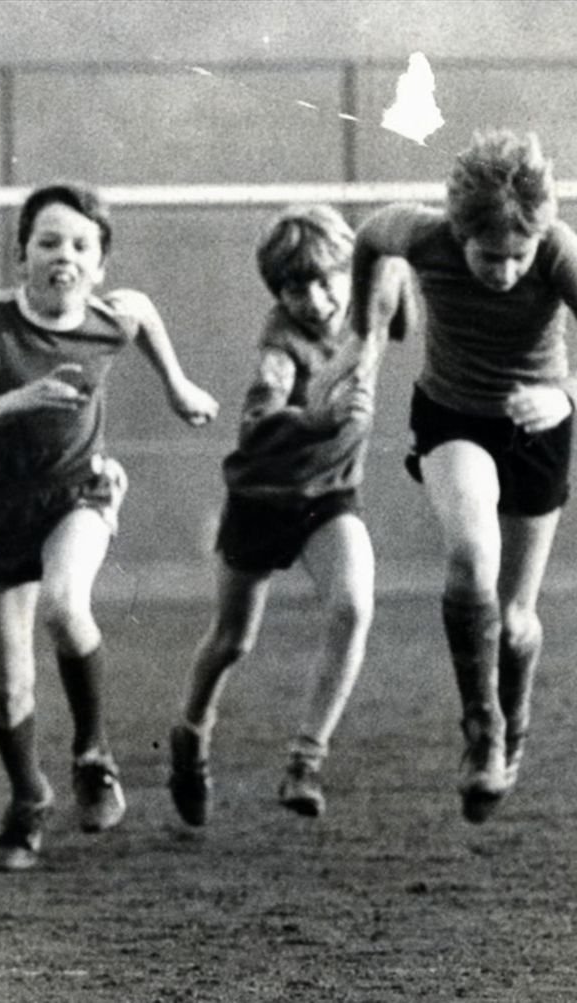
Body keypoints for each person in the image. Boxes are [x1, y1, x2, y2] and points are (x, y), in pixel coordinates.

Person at [0, 182, 218, 870]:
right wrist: (22, 399)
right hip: (0, 511)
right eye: (48, 242)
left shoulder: (111, 316)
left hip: (80, 494)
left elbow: (140, 314)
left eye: (81, 245)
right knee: (7, 687)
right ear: (22, 254)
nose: (64, 256)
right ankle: (28, 801)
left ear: (99, 263)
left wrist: (179, 387)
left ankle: (93, 755)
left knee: (64, 603)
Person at [347, 130, 577, 823]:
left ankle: (516, 720)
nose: (504, 271)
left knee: (513, 622)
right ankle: (483, 730)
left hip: (540, 424)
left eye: (518, 257)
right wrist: (368, 328)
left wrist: (564, 395)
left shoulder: (560, 252)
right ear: (458, 231)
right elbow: (367, 240)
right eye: (488, 256)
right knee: (471, 558)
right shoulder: (421, 234)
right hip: (454, 418)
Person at [167, 205, 418, 827]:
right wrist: (318, 418)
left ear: (350, 272)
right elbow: (256, 425)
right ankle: (190, 735)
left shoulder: (368, 300)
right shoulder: (282, 346)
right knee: (232, 641)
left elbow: (399, 313)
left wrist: (395, 279)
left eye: (326, 278)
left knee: (355, 604)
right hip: (261, 500)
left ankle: (306, 760)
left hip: (330, 497)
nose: (313, 297)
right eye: (294, 287)